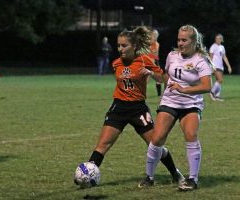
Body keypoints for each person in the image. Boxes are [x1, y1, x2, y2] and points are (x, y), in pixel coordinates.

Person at [77, 26, 185, 185]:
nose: (120, 49)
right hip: (118, 108)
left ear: (134, 46)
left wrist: (149, 73)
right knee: (103, 144)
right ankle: (86, 176)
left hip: (138, 109)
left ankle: (175, 173)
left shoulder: (145, 60)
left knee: (154, 145)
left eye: (124, 45)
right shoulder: (116, 64)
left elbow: (162, 79)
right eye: (119, 45)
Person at [138, 25, 213, 191]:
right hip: (170, 101)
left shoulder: (200, 60)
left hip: (191, 103)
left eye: (184, 40)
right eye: (179, 39)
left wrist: (185, 89)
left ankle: (193, 179)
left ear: (193, 42)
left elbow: (207, 86)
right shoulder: (172, 56)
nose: (180, 43)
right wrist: (150, 73)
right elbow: (166, 77)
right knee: (157, 139)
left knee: (191, 134)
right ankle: (149, 177)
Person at [209, 34, 232, 101]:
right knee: (220, 79)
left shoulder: (222, 47)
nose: (217, 39)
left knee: (219, 81)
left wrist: (229, 66)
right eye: (216, 38)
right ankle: (212, 92)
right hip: (215, 66)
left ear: (222, 40)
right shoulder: (213, 46)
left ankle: (217, 96)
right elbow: (210, 57)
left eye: (219, 38)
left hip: (221, 66)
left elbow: (224, 57)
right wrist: (211, 66)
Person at [148, 28, 163, 97]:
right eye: (154, 34)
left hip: (155, 62)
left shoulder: (157, 44)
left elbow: (156, 55)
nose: (156, 35)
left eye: (156, 34)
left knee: (159, 79)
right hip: (148, 63)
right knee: (145, 78)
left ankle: (159, 95)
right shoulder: (146, 44)